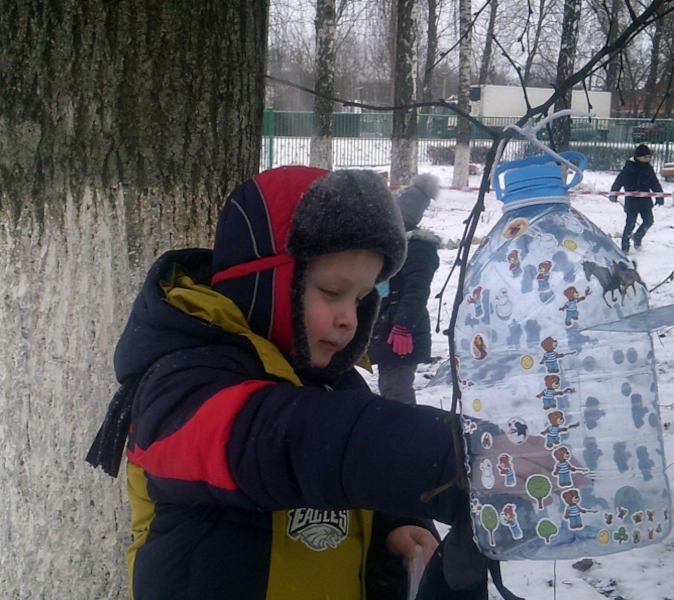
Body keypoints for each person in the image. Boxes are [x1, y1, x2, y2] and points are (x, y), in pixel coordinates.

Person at [88, 167, 497, 600]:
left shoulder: (336, 386)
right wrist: (441, 457)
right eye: (332, 292)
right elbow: (282, 442)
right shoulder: (177, 386)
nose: (350, 318)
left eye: (361, 298)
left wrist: (397, 523)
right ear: (266, 280)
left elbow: (349, 473)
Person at [369, 173, 441, 405]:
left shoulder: (417, 247)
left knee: (397, 393)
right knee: (390, 387)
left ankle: (404, 426)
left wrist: (403, 326)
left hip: (402, 331)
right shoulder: (394, 245)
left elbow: (417, 291)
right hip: (388, 328)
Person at [609, 143, 665, 252]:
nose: (647, 159)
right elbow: (619, 181)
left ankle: (638, 236)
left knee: (648, 221)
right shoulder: (629, 167)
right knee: (630, 223)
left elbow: (654, 183)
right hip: (632, 201)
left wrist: (659, 196)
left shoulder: (648, 168)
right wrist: (614, 193)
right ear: (638, 156)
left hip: (645, 201)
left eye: (649, 157)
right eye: (645, 156)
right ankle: (625, 246)